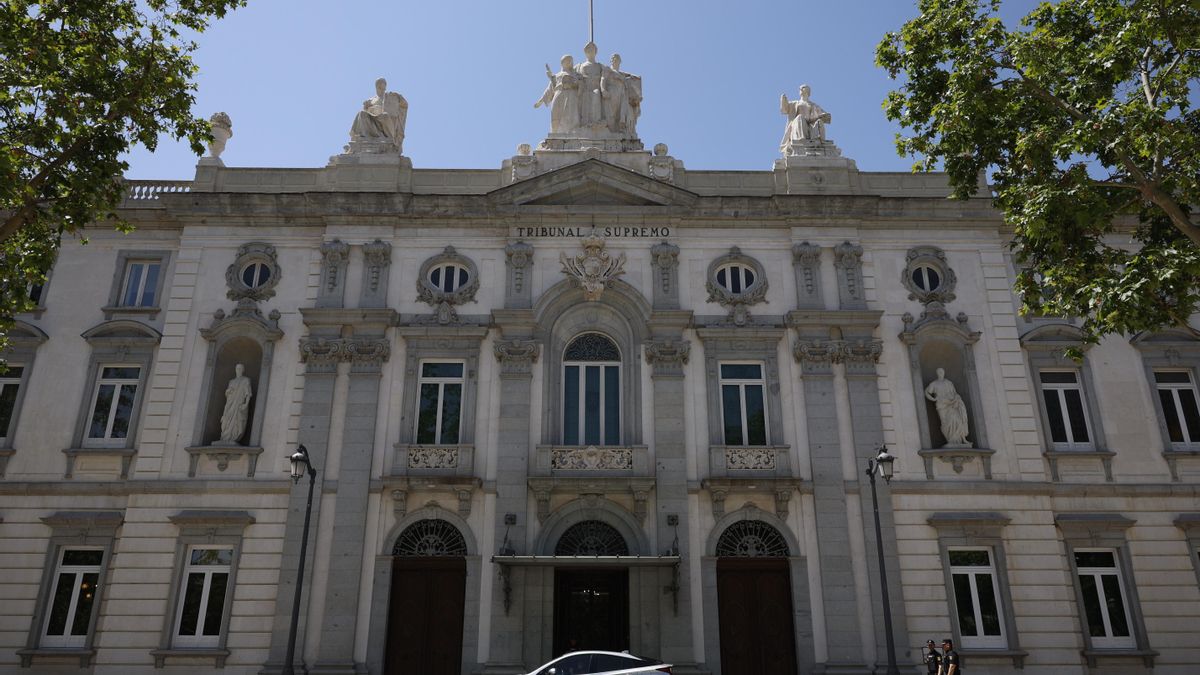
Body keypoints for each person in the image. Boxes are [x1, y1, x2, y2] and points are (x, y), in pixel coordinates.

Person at [349, 78, 408, 151]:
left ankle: (389, 138)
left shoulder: (389, 96)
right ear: (376, 87)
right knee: (361, 113)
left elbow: (404, 105)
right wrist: (366, 107)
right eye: (379, 85)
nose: (381, 88)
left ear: (385, 86)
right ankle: (367, 137)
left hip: (385, 122)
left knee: (385, 115)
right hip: (373, 119)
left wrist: (399, 97)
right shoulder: (371, 100)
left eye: (383, 85)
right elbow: (366, 111)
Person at [536, 55, 582, 134]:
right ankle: (554, 133)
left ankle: (571, 133)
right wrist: (541, 100)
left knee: (571, 114)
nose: (569, 62)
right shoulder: (557, 76)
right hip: (558, 93)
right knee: (555, 113)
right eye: (566, 60)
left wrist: (574, 84)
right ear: (562, 63)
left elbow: (580, 85)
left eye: (570, 60)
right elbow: (550, 89)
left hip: (571, 94)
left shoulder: (576, 75)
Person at [924, 367, 971, 446]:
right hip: (941, 405)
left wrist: (957, 398)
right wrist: (933, 399)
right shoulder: (934, 383)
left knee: (957, 419)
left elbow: (954, 393)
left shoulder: (949, 382)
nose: (941, 373)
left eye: (942, 371)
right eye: (939, 372)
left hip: (951, 403)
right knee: (945, 422)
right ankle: (950, 440)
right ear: (937, 373)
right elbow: (927, 392)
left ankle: (962, 439)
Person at [780, 84, 831, 151]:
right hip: (797, 126)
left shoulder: (813, 105)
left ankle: (818, 141)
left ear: (808, 91)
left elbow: (824, 115)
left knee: (819, 122)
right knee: (800, 118)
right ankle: (801, 139)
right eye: (800, 88)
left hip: (810, 126)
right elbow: (785, 110)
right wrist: (783, 100)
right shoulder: (795, 103)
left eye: (803, 88)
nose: (800, 89)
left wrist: (824, 116)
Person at [219, 363, 253, 444]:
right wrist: (228, 392)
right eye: (237, 368)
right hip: (230, 405)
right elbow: (228, 393)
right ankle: (225, 437)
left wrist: (246, 404)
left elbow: (248, 393)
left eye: (240, 368)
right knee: (225, 420)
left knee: (238, 423)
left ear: (243, 370)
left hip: (239, 405)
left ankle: (234, 437)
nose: (238, 370)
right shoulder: (231, 381)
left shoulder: (245, 380)